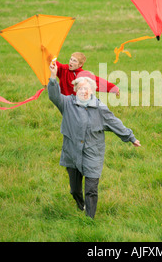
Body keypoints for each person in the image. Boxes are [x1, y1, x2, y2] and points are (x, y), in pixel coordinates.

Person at [48, 61, 141, 219]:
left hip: (93, 153)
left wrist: (130, 137)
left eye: (86, 89)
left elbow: (115, 123)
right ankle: (80, 203)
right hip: (72, 153)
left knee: (91, 189)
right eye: (80, 88)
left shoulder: (100, 109)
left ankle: (89, 219)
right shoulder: (67, 104)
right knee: (75, 190)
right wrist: (52, 76)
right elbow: (54, 95)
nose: (83, 91)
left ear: (92, 91)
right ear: (75, 90)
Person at [43, 46, 120, 97]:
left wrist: (113, 89)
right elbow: (53, 62)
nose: (71, 62)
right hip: (65, 101)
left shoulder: (84, 74)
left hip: (78, 102)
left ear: (80, 65)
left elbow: (98, 82)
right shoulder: (64, 69)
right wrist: (45, 51)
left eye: (74, 61)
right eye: (71, 59)